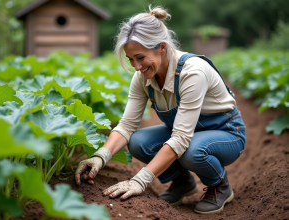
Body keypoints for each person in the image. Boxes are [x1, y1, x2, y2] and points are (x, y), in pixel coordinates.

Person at [75, 6, 246, 214]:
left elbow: (182, 138)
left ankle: (220, 186)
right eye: (131, 59)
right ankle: (182, 182)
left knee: (192, 151)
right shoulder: (142, 77)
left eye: (140, 57)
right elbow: (127, 125)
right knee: (138, 142)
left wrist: (140, 180)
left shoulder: (192, 72)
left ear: (161, 48)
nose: (136, 67)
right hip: (188, 134)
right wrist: (99, 156)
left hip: (226, 133)